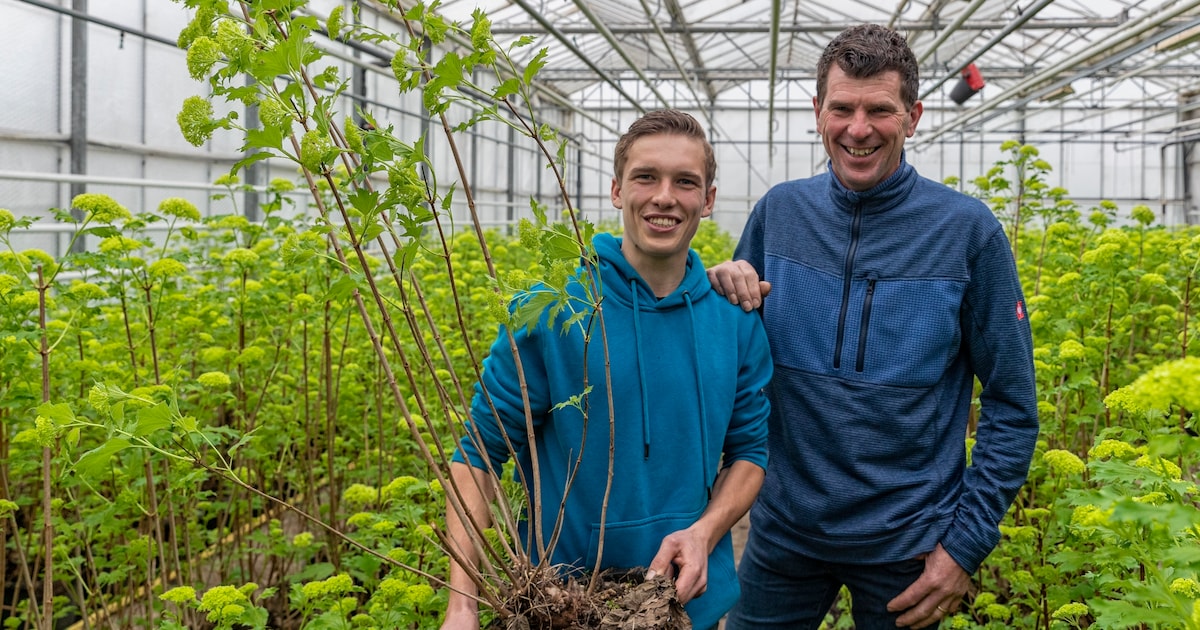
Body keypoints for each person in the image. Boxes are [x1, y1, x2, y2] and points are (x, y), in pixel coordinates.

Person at [709, 24, 1039, 630]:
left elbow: (1013, 405)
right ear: (817, 112)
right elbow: (734, 354)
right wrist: (716, 288)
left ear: (912, 117)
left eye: (879, 110)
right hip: (782, 533)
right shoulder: (779, 214)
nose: (858, 129)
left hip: (907, 546)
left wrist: (965, 545)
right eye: (842, 108)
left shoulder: (966, 233)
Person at [441, 109, 773, 630]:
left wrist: (706, 533)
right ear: (618, 190)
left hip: (683, 606)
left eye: (685, 182)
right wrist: (461, 606)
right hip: (559, 603)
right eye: (646, 177)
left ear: (707, 200)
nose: (665, 196)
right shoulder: (551, 312)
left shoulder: (734, 320)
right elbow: (477, 457)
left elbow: (750, 452)